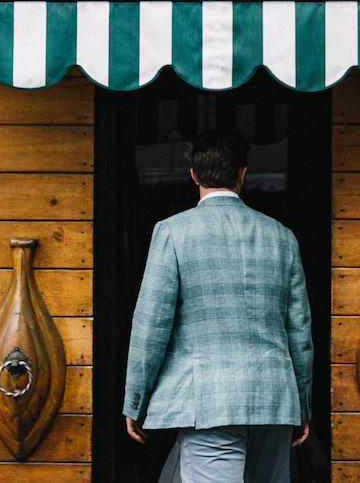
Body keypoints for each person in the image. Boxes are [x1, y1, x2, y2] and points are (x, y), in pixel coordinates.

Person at [123, 128, 314, 483]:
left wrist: (136, 399)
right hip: (273, 400)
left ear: (193, 174)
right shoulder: (282, 237)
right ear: (243, 173)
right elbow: (300, 332)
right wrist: (302, 403)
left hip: (209, 402)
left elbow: (151, 325)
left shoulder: (172, 231)